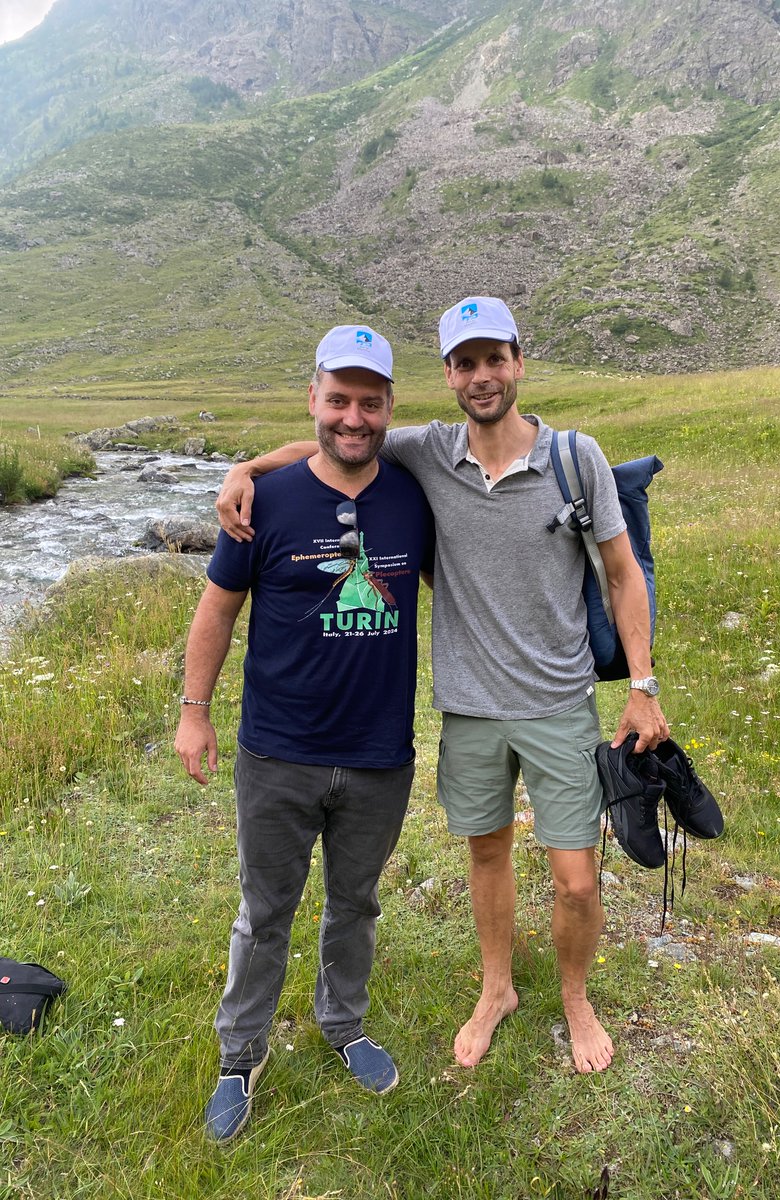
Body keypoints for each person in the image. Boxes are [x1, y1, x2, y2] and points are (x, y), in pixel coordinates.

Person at [215, 297, 669, 1075]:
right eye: (466, 362)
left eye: (495, 358)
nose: (482, 375)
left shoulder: (575, 457)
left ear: (519, 362)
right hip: (468, 708)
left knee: (576, 880)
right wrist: (248, 468)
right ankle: (496, 991)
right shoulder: (426, 451)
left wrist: (643, 683)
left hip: (559, 703)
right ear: (449, 375)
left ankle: (575, 995)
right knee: (486, 855)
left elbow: (623, 574)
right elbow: (340, 444)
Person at [175, 324, 434, 1142]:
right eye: (338, 399)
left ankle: (343, 1025)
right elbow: (218, 606)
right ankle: (240, 1053)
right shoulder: (266, 502)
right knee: (265, 911)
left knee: (354, 904)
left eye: (370, 401)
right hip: (276, 750)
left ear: (391, 407)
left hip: (379, 754)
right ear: (312, 399)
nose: (353, 417)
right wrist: (193, 710)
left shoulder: (413, 492)